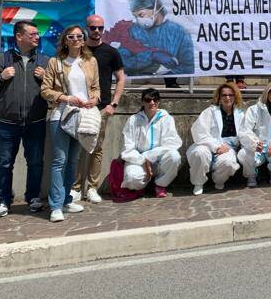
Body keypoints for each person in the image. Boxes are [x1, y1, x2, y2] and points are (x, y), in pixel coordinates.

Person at [0, 21, 49, 217]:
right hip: (7, 123)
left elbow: (57, 88)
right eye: (33, 34)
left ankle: (33, 198)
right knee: (5, 163)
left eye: (38, 34)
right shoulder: (2, 59)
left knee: (35, 162)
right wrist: (1, 77)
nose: (37, 37)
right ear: (19, 36)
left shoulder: (44, 61)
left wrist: (46, 78)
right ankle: (4, 201)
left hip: (35, 122)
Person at [40, 25, 100, 222]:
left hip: (83, 116)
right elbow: (45, 90)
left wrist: (94, 98)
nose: (75, 39)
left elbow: (96, 88)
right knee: (59, 161)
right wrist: (66, 98)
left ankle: (66, 200)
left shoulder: (91, 61)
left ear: (84, 40)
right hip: (61, 115)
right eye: (71, 36)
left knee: (73, 161)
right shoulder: (55, 62)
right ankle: (55, 205)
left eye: (79, 36)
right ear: (65, 40)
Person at [71, 14, 126, 205]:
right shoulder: (77, 50)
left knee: (97, 148)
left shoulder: (111, 52)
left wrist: (114, 104)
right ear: (86, 28)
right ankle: (75, 188)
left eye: (100, 28)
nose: (96, 31)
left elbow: (121, 78)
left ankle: (92, 187)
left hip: (101, 108)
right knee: (77, 148)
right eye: (93, 27)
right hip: (78, 107)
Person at [105, 0, 195, 80]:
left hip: (168, 85)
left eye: (141, 15)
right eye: (135, 16)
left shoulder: (179, 32)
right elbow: (122, 62)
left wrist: (168, 74)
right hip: (140, 83)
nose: (139, 20)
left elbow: (189, 67)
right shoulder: (134, 31)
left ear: (155, 8)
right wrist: (150, 56)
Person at [120, 88, 183, 196]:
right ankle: (142, 186)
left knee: (174, 156)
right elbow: (128, 147)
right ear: (142, 101)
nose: (152, 103)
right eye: (148, 100)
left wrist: (149, 156)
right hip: (138, 160)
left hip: (159, 159)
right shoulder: (133, 120)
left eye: (155, 100)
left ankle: (160, 184)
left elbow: (172, 142)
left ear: (159, 101)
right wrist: (143, 160)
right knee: (131, 179)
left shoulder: (166, 118)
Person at [187, 82, 244, 194]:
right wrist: (216, 147)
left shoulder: (240, 114)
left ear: (235, 96)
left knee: (228, 162)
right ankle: (198, 183)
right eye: (224, 95)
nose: (227, 97)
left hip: (228, 148)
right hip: (207, 145)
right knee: (199, 153)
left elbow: (244, 133)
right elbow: (199, 132)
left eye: (230, 95)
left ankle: (218, 180)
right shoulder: (210, 112)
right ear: (219, 97)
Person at [238, 81, 271, 187]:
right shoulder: (253, 110)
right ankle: (252, 175)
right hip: (258, 148)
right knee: (243, 154)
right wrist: (255, 143)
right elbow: (245, 130)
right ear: (267, 92)